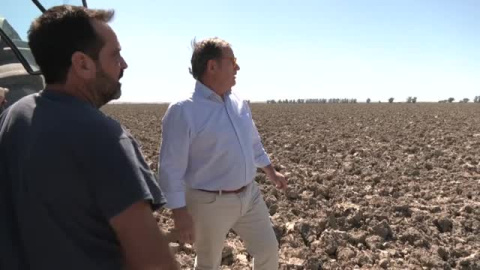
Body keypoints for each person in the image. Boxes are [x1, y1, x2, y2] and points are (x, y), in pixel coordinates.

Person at [0, 5, 178, 270]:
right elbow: (153, 262)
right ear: (82, 64)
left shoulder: (13, 115)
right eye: (115, 54)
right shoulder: (106, 136)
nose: (124, 64)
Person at [158, 37, 288, 270]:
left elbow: (253, 142)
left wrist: (271, 171)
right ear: (212, 66)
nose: (237, 67)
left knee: (268, 250)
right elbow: (171, 167)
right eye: (232, 61)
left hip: (249, 196)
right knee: (208, 263)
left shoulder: (237, 102)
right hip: (209, 203)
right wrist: (179, 213)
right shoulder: (183, 110)